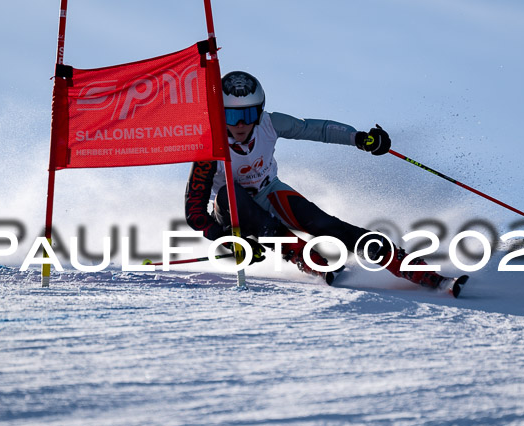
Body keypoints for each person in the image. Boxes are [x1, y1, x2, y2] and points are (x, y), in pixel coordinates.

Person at [185, 71, 463, 294]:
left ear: (260, 112)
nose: (241, 124)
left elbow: (313, 128)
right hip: (232, 213)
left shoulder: (270, 123)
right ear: (220, 114)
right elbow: (195, 213)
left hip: (268, 192)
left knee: (325, 225)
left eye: (248, 114)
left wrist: (359, 138)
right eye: (232, 116)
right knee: (228, 193)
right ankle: (301, 254)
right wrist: (226, 241)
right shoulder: (210, 147)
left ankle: (416, 270)